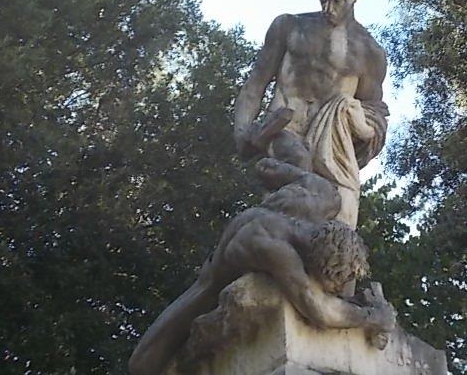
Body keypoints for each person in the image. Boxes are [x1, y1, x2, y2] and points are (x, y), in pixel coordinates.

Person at [128, 158, 395, 375]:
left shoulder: (324, 195)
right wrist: (373, 317)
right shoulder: (274, 248)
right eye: (335, 283)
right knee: (142, 366)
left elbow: (266, 167)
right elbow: (317, 309)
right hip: (208, 287)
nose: (337, 290)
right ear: (314, 264)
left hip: (248, 232)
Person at [234, 0, 389, 229]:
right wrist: (242, 131)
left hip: (333, 147)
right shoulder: (289, 27)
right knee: (295, 177)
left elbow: (374, 112)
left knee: (338, 222)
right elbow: (255, 85)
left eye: (337, 1)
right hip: (285, 128)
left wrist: (358, 122)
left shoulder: (369, 52)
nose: (328, 8)